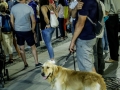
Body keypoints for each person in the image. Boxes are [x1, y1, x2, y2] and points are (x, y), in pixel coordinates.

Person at [10, 0, 42, 69]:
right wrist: (33, 30)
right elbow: (33, 21)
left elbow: (12, 21)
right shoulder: (29, 8)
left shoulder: (13, 8)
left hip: (18, 30)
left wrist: (15, 29)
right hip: (27, 29)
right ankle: (36, 62)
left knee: (21, 48)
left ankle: (25, 63)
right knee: (33, 47)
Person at [69, 0, 97, 72]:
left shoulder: (86, 3)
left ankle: (94, 83)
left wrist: (72, 41)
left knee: (87, 69)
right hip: (88, 37)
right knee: (89, 65)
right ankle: (96, 82)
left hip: (84, 38)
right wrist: (75, 8)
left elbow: (80, 24)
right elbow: (73, 16)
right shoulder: (84, 2)